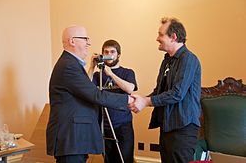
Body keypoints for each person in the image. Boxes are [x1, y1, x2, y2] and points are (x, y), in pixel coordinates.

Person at [46, 25, 134, 163]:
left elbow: (86, 91)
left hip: (76, 140)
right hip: (71, 139)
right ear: (72, 41)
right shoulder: (69, 65)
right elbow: (95, 95)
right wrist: (128, 100)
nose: (89, 43)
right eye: (85, 39)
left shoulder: (71, 63)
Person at [129, 17, 201, 163]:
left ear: (173, 37)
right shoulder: (167, 60)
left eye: (161, 34)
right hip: (167, 127)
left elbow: (177, 93)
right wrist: (141, 100)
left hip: (183, 129)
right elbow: (159, 91)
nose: (157, 38)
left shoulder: (189, 59)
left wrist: (147, 102)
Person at [88, 40, 137, 163]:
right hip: (104, 125)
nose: (109, 54)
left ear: (118, 54)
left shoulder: (127, 72)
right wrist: (91, 66)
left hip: (123, 124)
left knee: (124, 158)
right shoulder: (97, 76)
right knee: (108, 160)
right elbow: (87, 89)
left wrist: (110, 74)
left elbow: (130, 88)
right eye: (106, 52)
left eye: (112, 52)